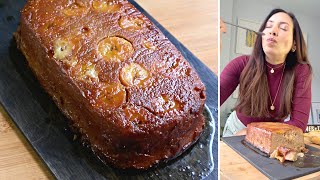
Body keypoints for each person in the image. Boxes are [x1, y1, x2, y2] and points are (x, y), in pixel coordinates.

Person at [220, 8, 312, 137]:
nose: (272, 31)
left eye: (283, 28)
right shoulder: (240, 64)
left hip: (273, 137)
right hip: (236, 132)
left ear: (294, 45)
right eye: (268, 26)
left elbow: (299, 124)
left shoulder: (301, 71)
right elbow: (211, 98)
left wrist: (251, 133)